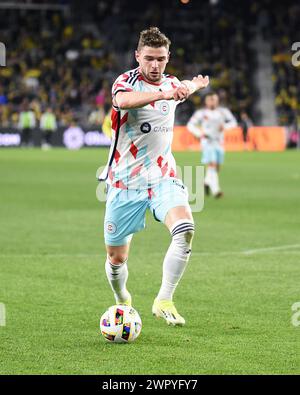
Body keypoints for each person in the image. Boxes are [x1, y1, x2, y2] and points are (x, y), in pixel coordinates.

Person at [98, 27, 209, 326]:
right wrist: (163, 93)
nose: (155, 65)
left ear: (168, 57)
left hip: (162, 178)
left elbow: (179, 87)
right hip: (125, 182)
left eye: (160, 59)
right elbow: (123, 102)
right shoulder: (125, 82)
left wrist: (194, 86)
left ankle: (164, 299)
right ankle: (122, 299)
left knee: (185, 228)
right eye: (149, 58)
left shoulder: (171, 83)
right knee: (117, 259)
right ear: (138, 56)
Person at [187, 92, 237, 198]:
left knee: (217, 166)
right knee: (212, 164)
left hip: (219, 141)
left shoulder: (223, 112)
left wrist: (225, 126)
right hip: (207, 141)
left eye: (214, 99)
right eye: (210, 100)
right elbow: (190, 125)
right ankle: (216, 190)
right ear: (206, 101)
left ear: (217, 100)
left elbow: (233, 122)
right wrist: (200, 133)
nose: (212, 102)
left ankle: (206, 182)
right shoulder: (201, 113)